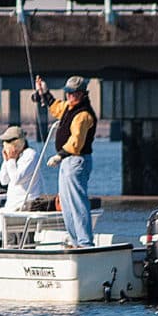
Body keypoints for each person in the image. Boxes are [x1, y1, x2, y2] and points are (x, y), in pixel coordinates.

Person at [34, 75, 96, 247]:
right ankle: (76, 241)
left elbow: (76, 142)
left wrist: (60, 155)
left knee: (77, 202)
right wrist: (44, 93)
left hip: (76, 161)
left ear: (82, 94)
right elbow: (56, 108)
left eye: (73, 93)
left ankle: (85, 242)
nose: (69, 96)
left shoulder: (83, 115)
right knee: (66, 204)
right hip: (66, 163)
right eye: (67, 92)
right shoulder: (69, 107)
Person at [0, 124, 43, 210]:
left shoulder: (30, 155)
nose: (5, 144)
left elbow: (16, 179)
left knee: (1, 213)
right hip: (12, 204)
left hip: (24, 204)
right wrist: (6, 160)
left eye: (8, 141)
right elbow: (4, 180)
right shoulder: (13, 158)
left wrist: (11, 160)